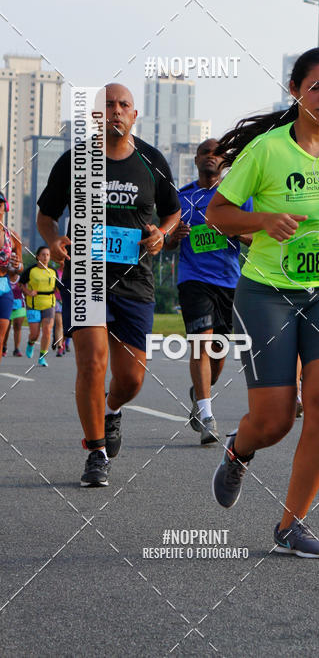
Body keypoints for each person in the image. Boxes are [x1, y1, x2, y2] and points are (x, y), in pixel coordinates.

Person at [206, 47, 319, 557]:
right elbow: (216, 214)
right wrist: (263, 221)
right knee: (274, 420)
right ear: (295, 90)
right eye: (316, 87)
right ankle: (239, 451)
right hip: (267, 290)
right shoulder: (266, 151)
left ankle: (291, 525)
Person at [37, 83, 181, 487]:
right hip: (86, 275)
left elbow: (172, 214)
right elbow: (46, 217)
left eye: (123, 105)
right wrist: (53, 241)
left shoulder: (153, 162)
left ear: (134, 115)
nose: (115, 111)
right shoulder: (74, 161)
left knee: (131, 378)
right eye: (107, 105)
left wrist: (160, 235)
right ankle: (96, 451)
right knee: (92, 361)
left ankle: (112, 409)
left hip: (135, 280)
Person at [165, 139, 252, 444]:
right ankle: (207, 416)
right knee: (200, 345)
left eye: (216, 154)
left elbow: (255, 237)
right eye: (204, 153)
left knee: (218, 354)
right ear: (196, 160)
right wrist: (175, 236)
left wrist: (233, 230)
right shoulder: (182, 197)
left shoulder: (237, 196)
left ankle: (200, 392)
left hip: (228, 282)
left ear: (224, 161)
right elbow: (166, 241)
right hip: (193, 279)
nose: (210, 157)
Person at [20, 245, 56, 367]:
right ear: (38, 256)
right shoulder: (31, 270)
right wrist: (28, 292)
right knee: (34, 334)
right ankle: (30, 343)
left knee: (47, 331)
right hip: (33, 304)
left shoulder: (52, 271)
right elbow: (21, 284)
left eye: (48, 255)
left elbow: (58, 287)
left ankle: (42, 357)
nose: (45, 257)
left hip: (49, 304)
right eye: (43, 255)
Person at [0, 192, 23, 364]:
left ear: (5, 208)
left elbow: (19, 268)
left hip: (4, 287)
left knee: (1, 336)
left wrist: (15, 265)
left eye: (0, 205)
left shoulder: (13, 236)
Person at [7, 271, 27, 357]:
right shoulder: (4, 278)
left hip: (19, 305)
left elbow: (25, 292)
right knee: (6, 327)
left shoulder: (21, 279)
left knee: (18, 326)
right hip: (6, 305)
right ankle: (4, 347)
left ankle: (16, 349)